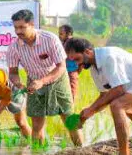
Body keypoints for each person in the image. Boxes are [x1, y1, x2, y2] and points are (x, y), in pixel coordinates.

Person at [7, 9, 82, 145]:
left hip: (57, 78)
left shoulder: (50, 39)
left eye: (22, 27)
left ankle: (81, 150)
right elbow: (13, 72)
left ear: (32, 24)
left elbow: (61, 67)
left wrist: (42, 81)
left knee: (69, 117)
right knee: (36, 124)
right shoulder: (14, 47)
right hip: (34, 81)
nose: (18, 31)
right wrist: (18, 84)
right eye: (16, 28)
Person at [58, 24, 81, 101]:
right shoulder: (65, 42)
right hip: (66, 71)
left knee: (71, 93)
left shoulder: (72, 43)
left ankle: (70, 111)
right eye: (59, 34)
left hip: (71, 71)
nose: (59, 36)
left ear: (69, 34)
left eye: (61, 34)